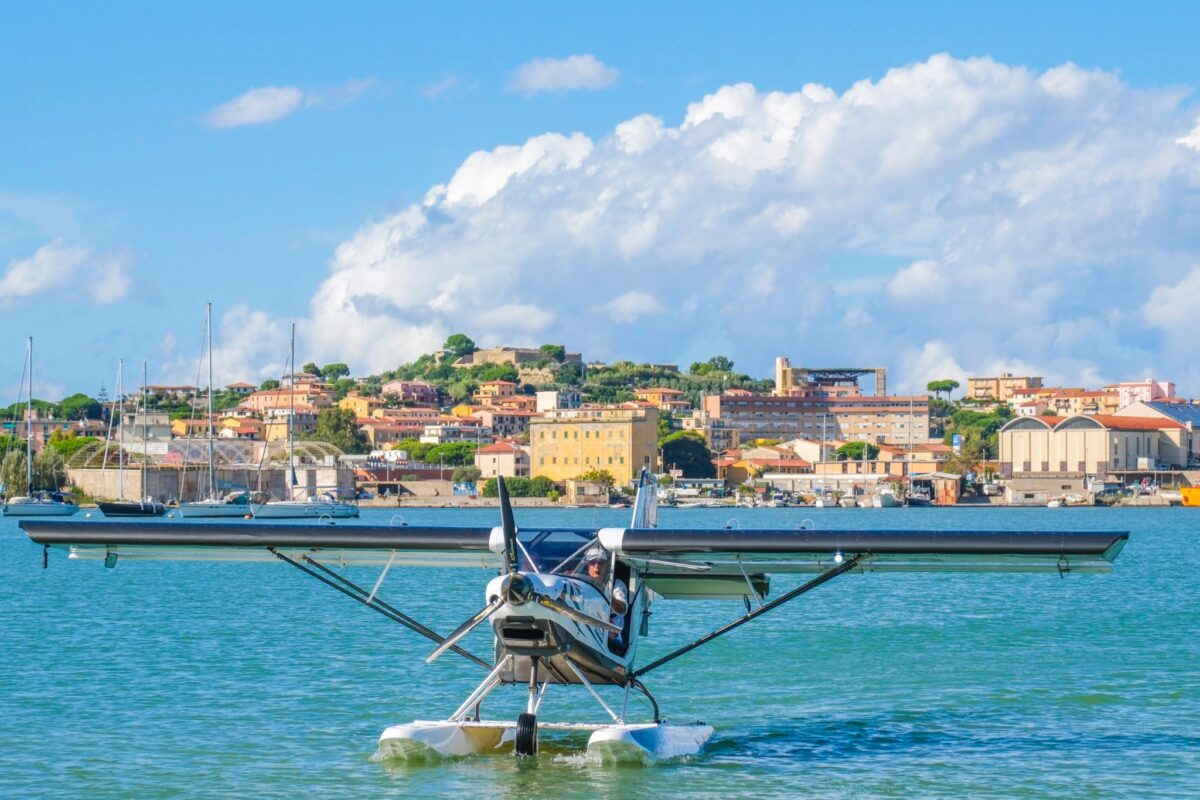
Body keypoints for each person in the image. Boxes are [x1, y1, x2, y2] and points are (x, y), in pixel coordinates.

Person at [584, 547, 628, 651]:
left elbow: (622, 609)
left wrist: (606, 596)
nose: (596, 566)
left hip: (610, 636)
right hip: (585, 629)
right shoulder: (581, 584)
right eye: (592, 562)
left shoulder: (616, 585)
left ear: (606, 565)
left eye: (600, 563)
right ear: (587, 565)